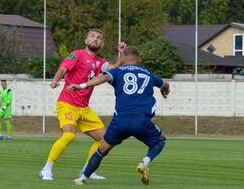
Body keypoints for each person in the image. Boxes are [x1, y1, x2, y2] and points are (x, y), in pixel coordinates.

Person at [68, 46, 170, 185]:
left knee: (101, 150)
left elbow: (102, 78)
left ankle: (82, 178)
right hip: (141, 120)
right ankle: (144, 163)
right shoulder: (148, 74)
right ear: (139, 60)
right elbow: (165, 83)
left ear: (122, 59)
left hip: (120, 121)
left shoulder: (117, 71)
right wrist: (165, 89)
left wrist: (81, 86)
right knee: (161, 140)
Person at [39, 29, 126, 180]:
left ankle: (87, 171)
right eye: (92, 37)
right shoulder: (77, 54)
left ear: (102, 43)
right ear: (86, 40)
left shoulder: (99, 62)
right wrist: (55, 80)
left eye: (99, 38)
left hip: (84, 108)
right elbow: (63, 68)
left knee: (105, 140)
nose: (95, 39)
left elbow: (114, 68)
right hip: (67, 103)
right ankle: (46, 169)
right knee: (69, 135)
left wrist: (121, 53)